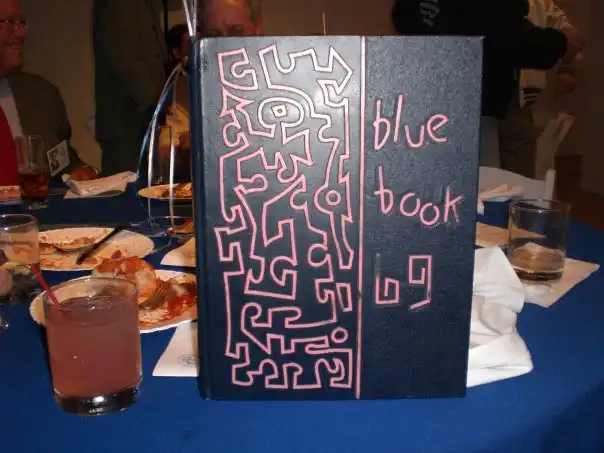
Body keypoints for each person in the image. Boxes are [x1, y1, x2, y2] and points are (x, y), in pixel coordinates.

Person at [390, 0, 584, 167]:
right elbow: (506, 35)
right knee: (485, 182)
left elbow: (404, 18)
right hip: (476, 97)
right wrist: (561, 43)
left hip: (434, 90)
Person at [157, 6, 263, 181]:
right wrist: (187, 152)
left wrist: (209, 140)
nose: (225, 42)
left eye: (236, 31)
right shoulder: (188, 89)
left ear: (257, 26)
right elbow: (166, 157)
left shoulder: (288, 78)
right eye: (214, 35)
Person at [0, 0, 96, 186]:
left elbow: (64, 164)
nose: (22, 32)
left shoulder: (41, 94)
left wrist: (83, 172)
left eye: (22, 22)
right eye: (10, 22)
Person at [499, 0, 582, 177]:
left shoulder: (540, 3)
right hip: (491, 97)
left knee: (523, 165)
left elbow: (572, 37)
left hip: (527, 101)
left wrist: (567, 68)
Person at [92, 0, 169, 176]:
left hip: (140, 122)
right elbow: (121, 54)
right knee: (127, 187)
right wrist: (154, 98)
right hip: (126, 124)